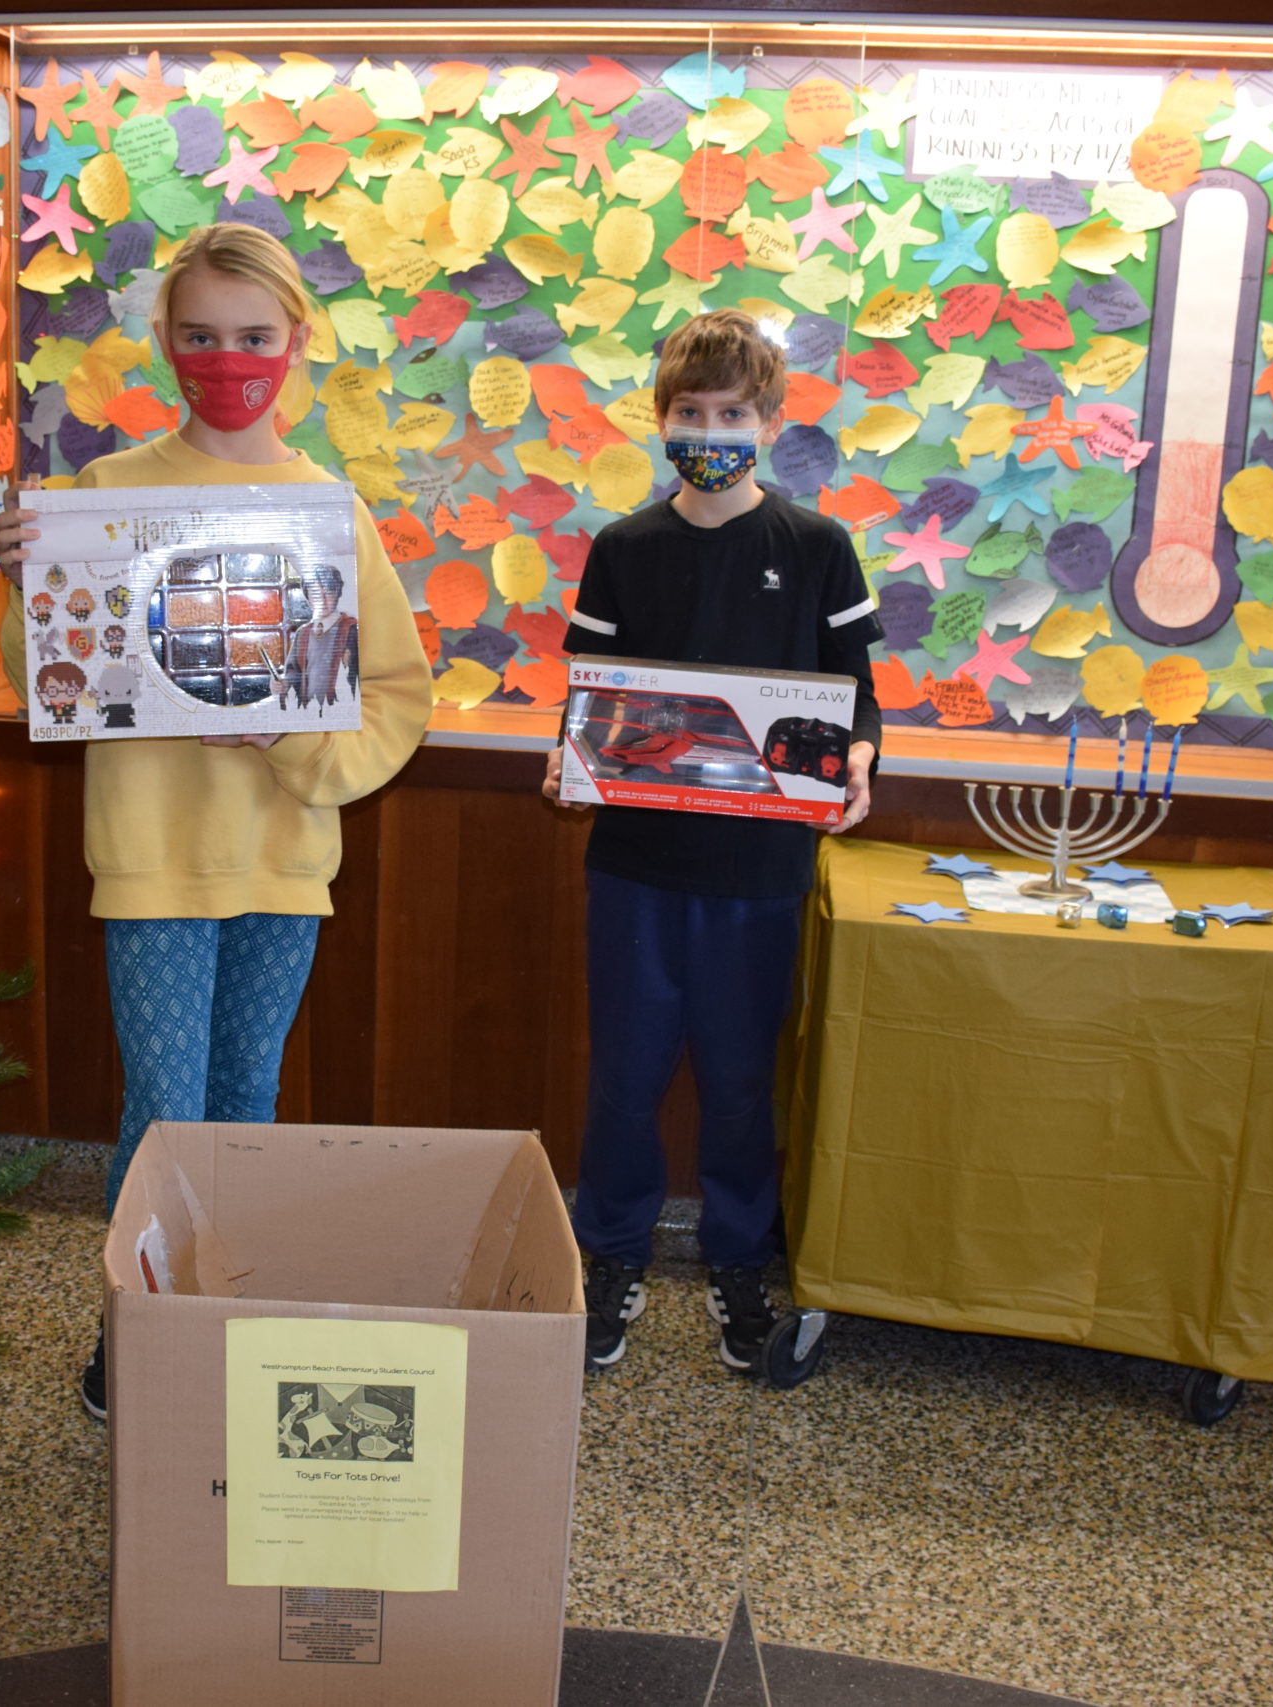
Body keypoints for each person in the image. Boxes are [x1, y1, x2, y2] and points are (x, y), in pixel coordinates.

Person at [0, 224, 431, 1421]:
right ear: (166, 344)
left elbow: (394, 694)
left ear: (294, 342)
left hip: (283, 860)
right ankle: (135, 1329)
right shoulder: (104, 495)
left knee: (245, 1104)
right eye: (200, 336)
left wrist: (287, 737)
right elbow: (44, 673)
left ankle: (221, 1316)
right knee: (162, 1111)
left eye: (251, 337)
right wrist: (21, 576)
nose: (226, 359)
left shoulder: (329, 510)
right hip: (152, 863)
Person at [540, 307, 883, 1378]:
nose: (709, 427)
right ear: (660, 418)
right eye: (690, 411)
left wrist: (861, 761)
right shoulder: (622, 550)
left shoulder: (817, 548)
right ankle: (607, 1257)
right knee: (624, 1080)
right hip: (637, 869)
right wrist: (569, 761)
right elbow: (588, 703)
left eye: (732, 412)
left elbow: (856, 702)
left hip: (761, 873)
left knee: (740, 1083)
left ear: (770, 421)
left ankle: (742, 1262)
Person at [286, 565, 358, 710]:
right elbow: (292, 671)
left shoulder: (351, 629)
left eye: (329, 593)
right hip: (308, 710)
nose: (323, 600)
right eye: (315, 594)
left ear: (338, 592)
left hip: (342, 708)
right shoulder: (303, 633)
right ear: (307, 596)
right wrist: (282, 683)